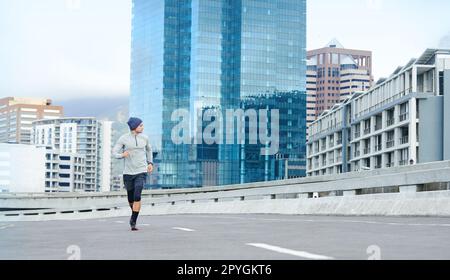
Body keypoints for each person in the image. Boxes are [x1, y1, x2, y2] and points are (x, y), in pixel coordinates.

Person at [113, 117, 154, 231]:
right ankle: (134, 212)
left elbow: (149, 150)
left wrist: (150, 162)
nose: (143, 127)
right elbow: (114, 152)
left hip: (141, 171)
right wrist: (122, 155)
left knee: (137, 195)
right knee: (131, 197)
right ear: (134, 127)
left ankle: (133, 220)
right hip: (128, 173)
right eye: (140, 125)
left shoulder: (145, 138)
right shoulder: (124, 138)